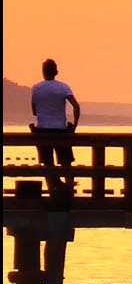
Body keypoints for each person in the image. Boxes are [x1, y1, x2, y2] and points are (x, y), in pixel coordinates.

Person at [28, 59, 80, 195]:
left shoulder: (36, 88)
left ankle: (53, 188)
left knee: (47, 162)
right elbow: (76, 106)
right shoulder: (63, 87)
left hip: (42, 130)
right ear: (56, 71)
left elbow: (34, 111)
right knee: (66, 162)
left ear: (43, 72)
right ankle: (68, 188)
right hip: (61, 130)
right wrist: (74, 126)